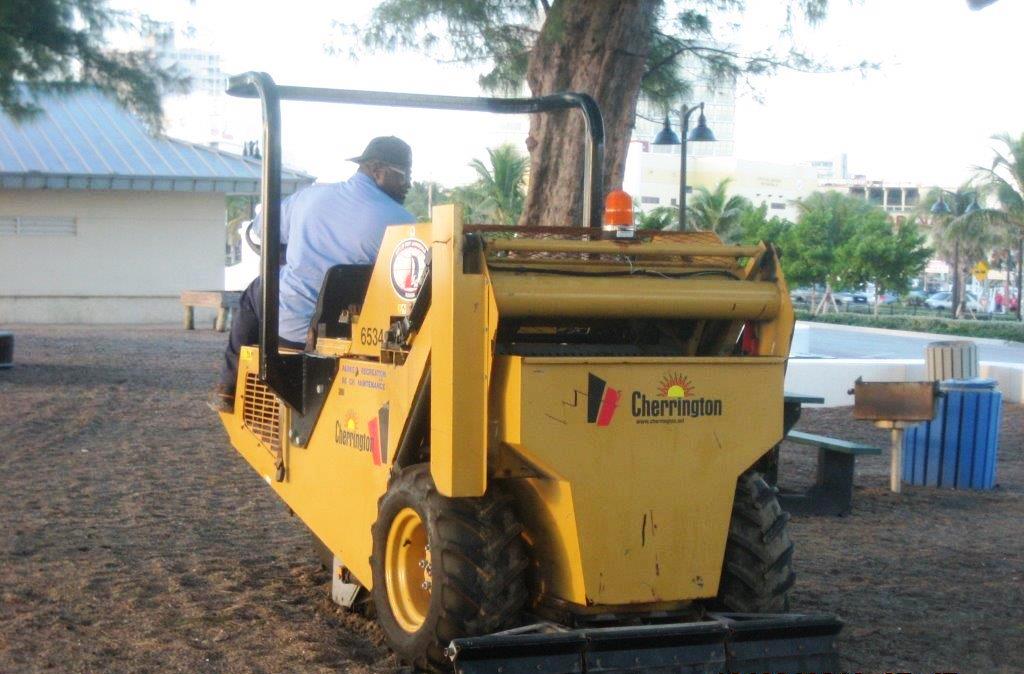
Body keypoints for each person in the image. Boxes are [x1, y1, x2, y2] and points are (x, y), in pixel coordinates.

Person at [211, 136, 415, 411]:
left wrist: (290, 253)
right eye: (404, 176)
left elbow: (259, 233)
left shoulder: (310, 198)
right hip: (348, 336)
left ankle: (228, 387)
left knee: (258, 290)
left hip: (287, 326)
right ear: (378, 170)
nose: (408, 185)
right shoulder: (403, 223)